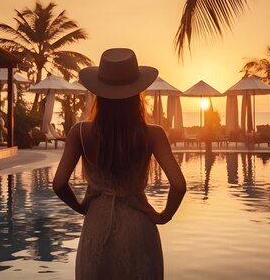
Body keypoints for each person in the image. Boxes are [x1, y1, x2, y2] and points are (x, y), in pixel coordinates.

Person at [53, 48, 187, 280]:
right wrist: (164, 216)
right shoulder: (153, 134)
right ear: (137, 93)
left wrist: (82, 208)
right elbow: (179, 185)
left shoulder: (80, 133)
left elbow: (59, 184)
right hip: (139, 225)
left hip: (97, 222)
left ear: (99, 93)